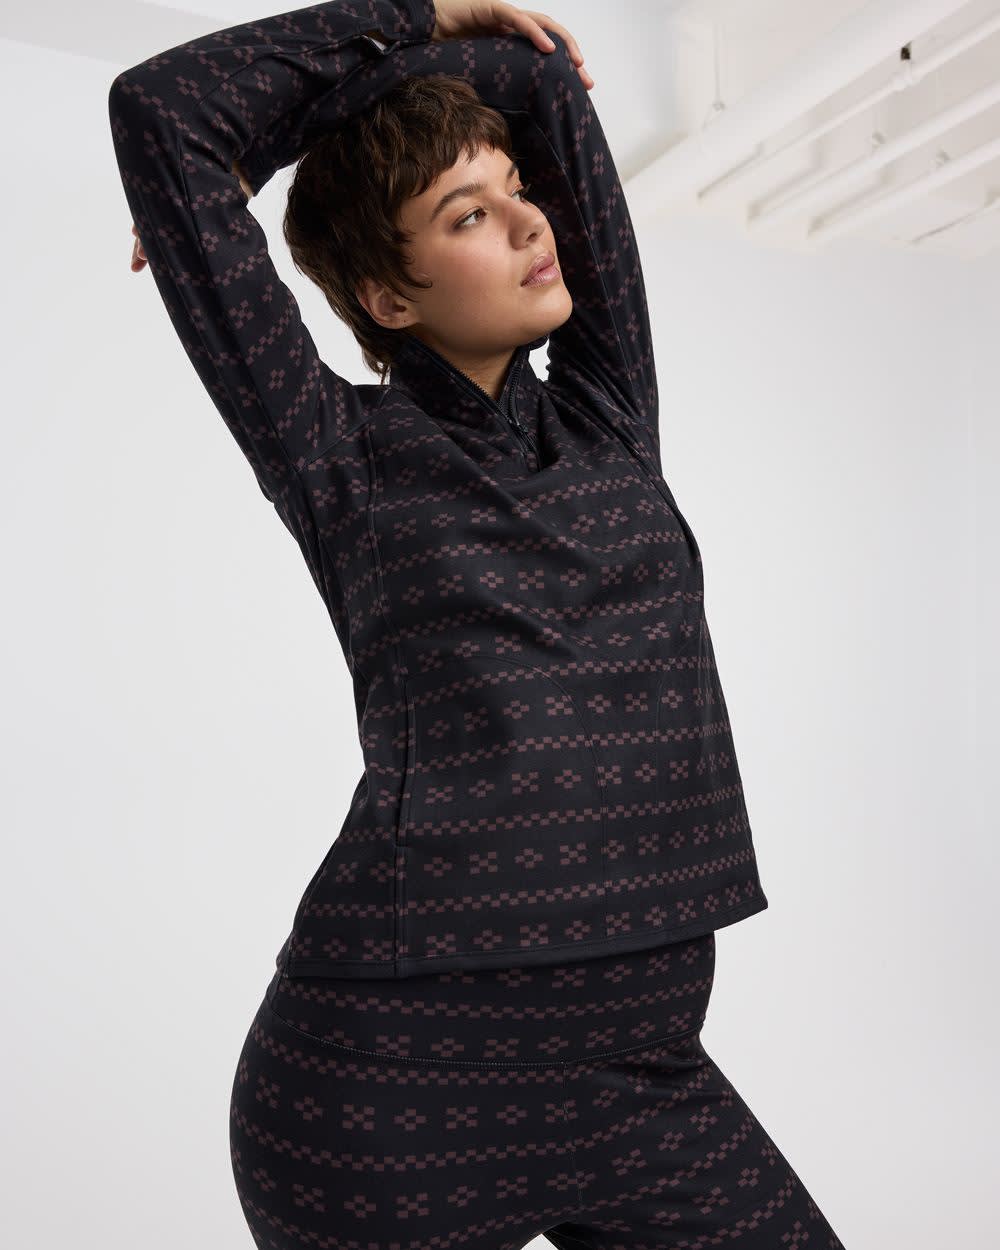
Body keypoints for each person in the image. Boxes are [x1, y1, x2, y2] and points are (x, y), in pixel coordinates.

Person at [110, 2, 847, 1246]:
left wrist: (283, 145)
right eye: (465, 216)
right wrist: (410, 18)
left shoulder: (609, 413)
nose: (526, 221)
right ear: (382, 296)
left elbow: (537, 84)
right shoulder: (337, 454)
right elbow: (160, 110)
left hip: (639, 1077)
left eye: (515, 191)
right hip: (389, 1098)